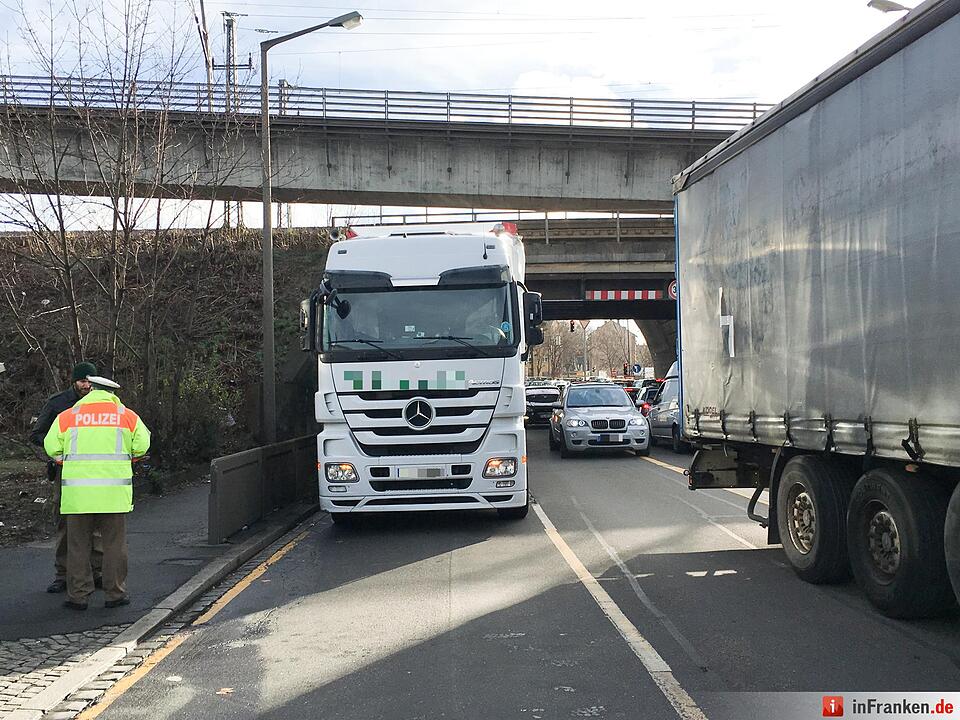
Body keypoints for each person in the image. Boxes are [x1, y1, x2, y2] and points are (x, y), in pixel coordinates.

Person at [43, 374, 150, 610]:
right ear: (111, 394)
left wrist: (65, 461)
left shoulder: (68, 416)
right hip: (113, 494)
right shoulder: (127, 416)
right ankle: (115, 594)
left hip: (77, 496)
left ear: (91, 390)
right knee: (114, 546)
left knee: (78, 547)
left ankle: (78, 596)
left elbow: (51, 447)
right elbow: (142, 445)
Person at [30, 361, 104, 593]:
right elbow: (37, 434)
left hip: (94, 470)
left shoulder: (101, 404)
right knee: (65, 522)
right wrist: (57, 449)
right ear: (74, 381)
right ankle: (63, 574)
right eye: (83, 381)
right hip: (66, 470)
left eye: (90, 381)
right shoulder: (58, 403)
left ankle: (97, 572)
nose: (86, 385)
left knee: (95, 520)